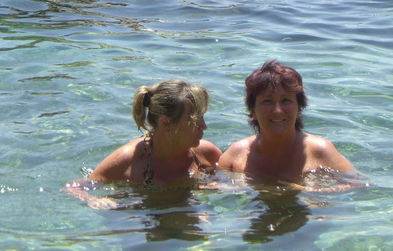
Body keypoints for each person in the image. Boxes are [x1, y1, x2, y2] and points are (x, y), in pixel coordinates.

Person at [67, 79, 222, 191]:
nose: (204, 126)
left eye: (202, 117)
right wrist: (95, 200)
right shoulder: (127, 161)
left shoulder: (206, 154)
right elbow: (75, 188)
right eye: (194, 120)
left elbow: (230, 180)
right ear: (166, 122)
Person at [218, 60, 356, 185]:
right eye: (267, 101)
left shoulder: (319, 151)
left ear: (299, 108)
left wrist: (313, 193)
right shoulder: (235, 156)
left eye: (286, 101)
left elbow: (357, 185)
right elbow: (217, 189)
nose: (277, 110)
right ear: (253, 109)